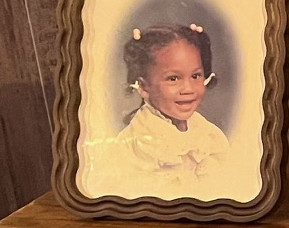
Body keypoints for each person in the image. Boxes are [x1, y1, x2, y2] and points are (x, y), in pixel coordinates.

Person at [92, 24, 230, 195]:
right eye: (173, 78)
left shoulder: (206, 134)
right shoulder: (140, 145)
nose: (188, 88)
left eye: (195, 76)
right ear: (143, 87)